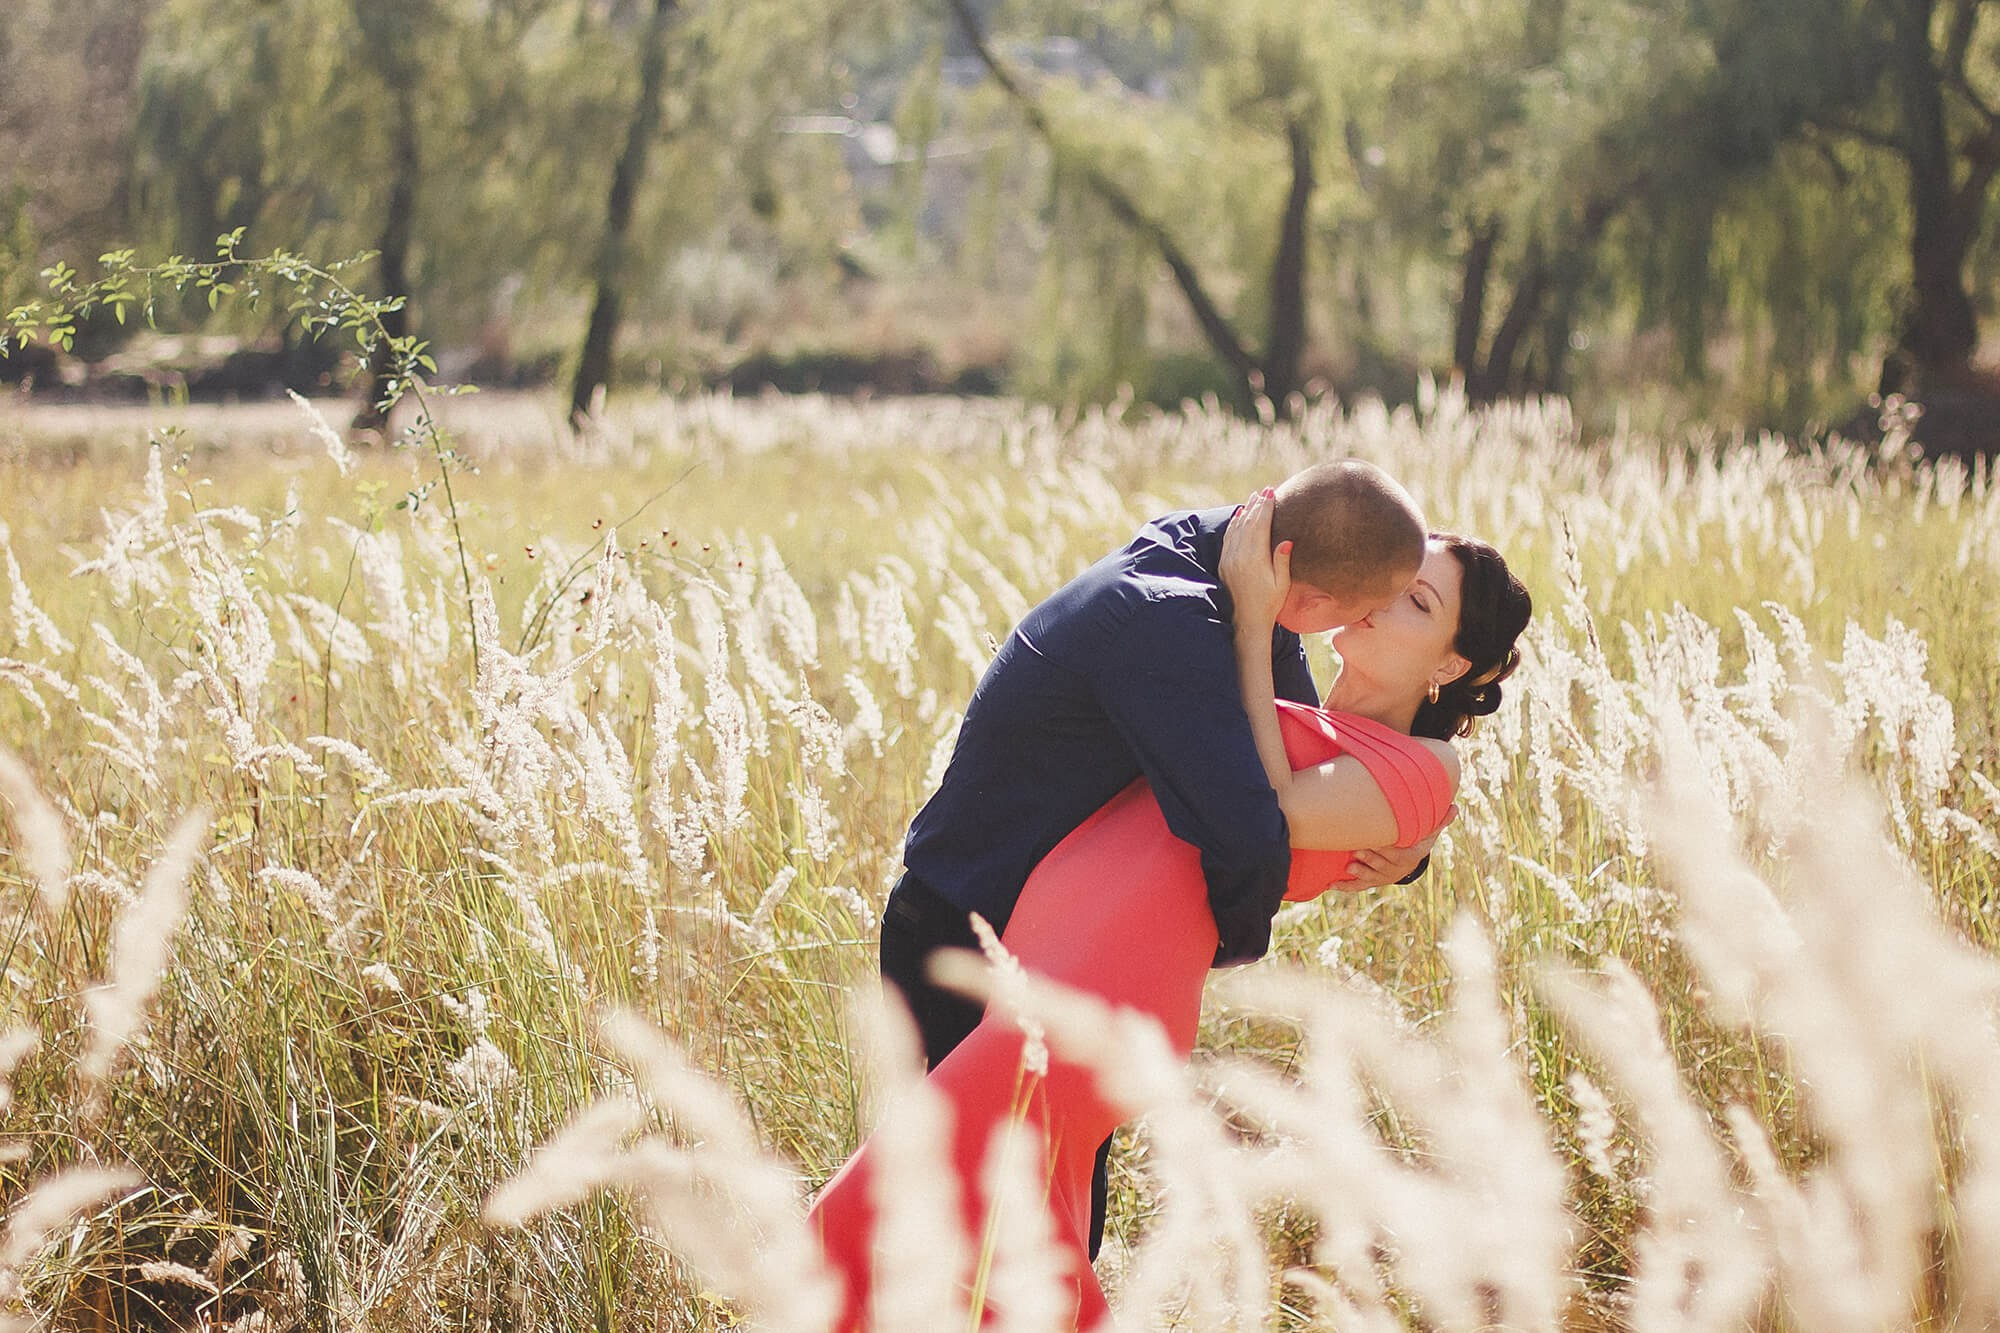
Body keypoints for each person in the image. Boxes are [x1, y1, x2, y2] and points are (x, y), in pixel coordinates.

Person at [810, 497, 1534, 1331]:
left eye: (1417, 601)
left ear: (1452, 666)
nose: (1381, 597)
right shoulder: (1252, 660)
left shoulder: (1412, 754)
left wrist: (1258, 625)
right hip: (1046, 953)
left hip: (1102, 982)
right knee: (1009, 1230)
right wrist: (1265, 636)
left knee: (900, 1203)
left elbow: (1269, 809)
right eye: (1395, 580)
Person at [878, 461, 1438, 1259]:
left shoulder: (1243, 572)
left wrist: (1398, 848)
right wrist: (1228, 940)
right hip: (968, 954)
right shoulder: (1167, 620)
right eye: (1356, 614)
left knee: (1046, 1240)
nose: (1361, 630)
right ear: (1307, 602)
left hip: (1049, 959)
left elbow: (1298, 754)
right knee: (975, 1249)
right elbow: (1248, 835)